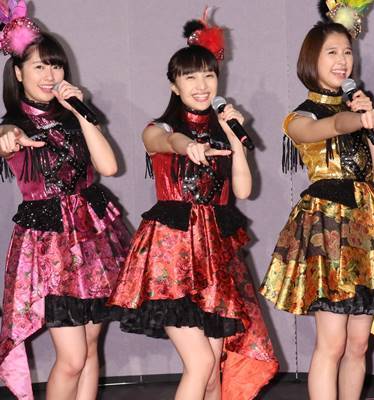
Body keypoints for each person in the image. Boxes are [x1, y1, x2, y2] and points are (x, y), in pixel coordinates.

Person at [107, 13, 277, 400]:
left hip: (215, 257)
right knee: (199, 364)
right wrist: (188, 146)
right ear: (174, 84)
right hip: (171, 258)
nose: (201, 85)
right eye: (190, 77)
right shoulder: (161, 127)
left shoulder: (224, 130)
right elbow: (162, 141)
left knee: (213, 371)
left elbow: (244, 190)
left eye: (209, 76)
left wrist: (234, 139)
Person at [260, 19, 374, 399]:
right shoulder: (300, 116)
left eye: (347, 52)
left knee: (358, 344)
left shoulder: (359, 111)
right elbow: (328, 126)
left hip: (368, 230)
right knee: (332, 343)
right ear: (311, 59)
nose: (342, 60)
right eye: (332, 52)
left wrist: (371, 129)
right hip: (328, 231)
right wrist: (355, 119)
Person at [0, 4, 130, 399]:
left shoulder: (76, 117)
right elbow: (4, 138)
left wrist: (82, 113)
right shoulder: (14, 124)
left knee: (90, 350)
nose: (50, 75)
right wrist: (8, 138)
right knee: (71, 358)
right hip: (50, 244)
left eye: (55, 66)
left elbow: (108, 166)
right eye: (39, 66)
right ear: (18, 73)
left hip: (94, 235)